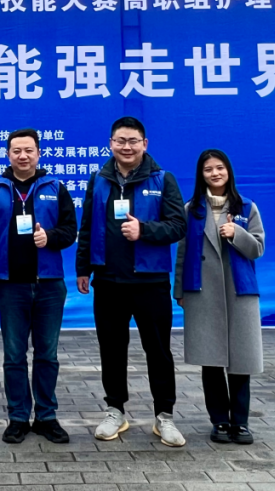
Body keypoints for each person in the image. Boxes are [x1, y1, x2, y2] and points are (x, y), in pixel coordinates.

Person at [76, 116, 187, 446]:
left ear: (144, 144)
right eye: (120, 141)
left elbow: (178, 225)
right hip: (108, 281)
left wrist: (144, 230)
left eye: (133, 141)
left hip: (150, 281)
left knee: (158, 350)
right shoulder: (99, 180)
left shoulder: (162, 179)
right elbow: (86, 227)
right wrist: (83, 268)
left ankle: (164, 416)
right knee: (111, 350)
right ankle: (115, 410)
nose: (126, 147)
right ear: (111, 143)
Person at [0, 129, 78, 444]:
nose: (23, 156)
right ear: (8, 154)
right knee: (14, 355)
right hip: (10, 286)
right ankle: (18, 417)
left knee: (47, 354)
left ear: (38, 153)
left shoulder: (55, 187)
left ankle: (46, 416)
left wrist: (50, 237)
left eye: (29, 150)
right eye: (17, 150)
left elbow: (70, 230)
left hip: (49, 284)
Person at [174, 149, 265, 445]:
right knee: (210, 360)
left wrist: (236, 232)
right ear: (201, 175)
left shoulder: (247, 207)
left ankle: (241, 422)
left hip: (239, 292)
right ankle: (220, 422)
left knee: (241, 361)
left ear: (229, 171)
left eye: (220, 168)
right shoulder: (192, 210)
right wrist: (179, 291)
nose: (215, 173)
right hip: (203, 292)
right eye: (208, 169)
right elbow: (183, 253)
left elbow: (258, 248)